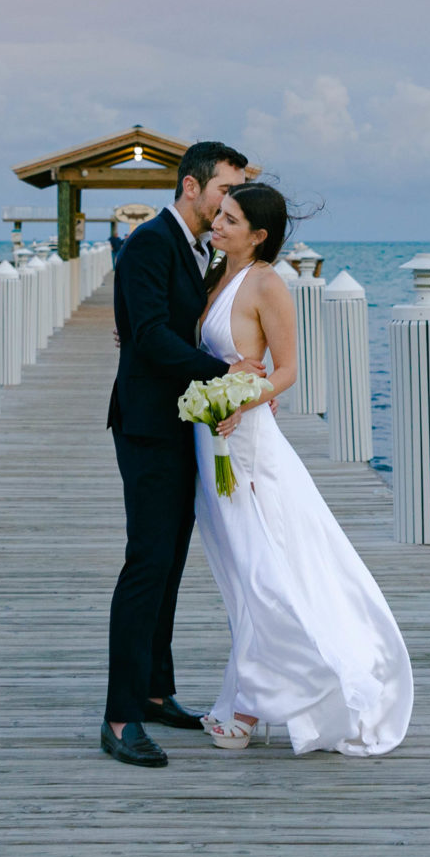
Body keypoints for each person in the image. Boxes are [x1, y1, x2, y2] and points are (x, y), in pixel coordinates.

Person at [191, 181, 412, 755]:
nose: (218, 224)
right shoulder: (217, 273)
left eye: (232, 220)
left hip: (244, 439)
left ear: (259, 235)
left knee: (262, 569)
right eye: (221, 214)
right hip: (209, 436)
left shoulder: (268, 282)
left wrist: (243, 398)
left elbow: (287, 369)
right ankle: (250, 696)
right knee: (238, 571)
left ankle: (254, 704)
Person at [100, 139, 251, 767]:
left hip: (179, 423)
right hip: (147, 426)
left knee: (169, 566)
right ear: (191, 186)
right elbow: (151, 335)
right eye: (224, 189)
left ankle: (157, 693)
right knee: (147, 564)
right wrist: (227, 370)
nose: (229, 202)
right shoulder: (150, 244)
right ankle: (120, 716)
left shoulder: (194, 249)